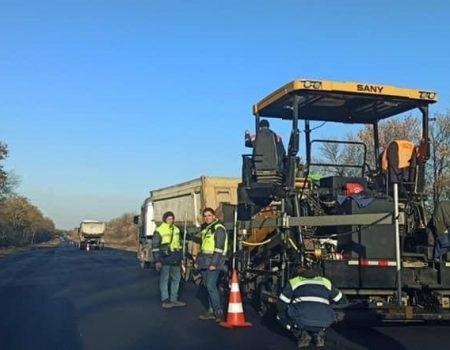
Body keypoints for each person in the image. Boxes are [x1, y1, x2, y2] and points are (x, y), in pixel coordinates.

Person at [276, 267, 344, 348]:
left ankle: (300, 333)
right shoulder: (325, 282)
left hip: (301, 320)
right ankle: (319, 333)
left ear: (298, 275)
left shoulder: (294, 282)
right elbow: (340, 299)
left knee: (280, 316)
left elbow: (281, 304)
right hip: (324, 320)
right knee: (338, 314)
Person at [193, 207, 228, 322]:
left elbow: (219, 248)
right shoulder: (207, 229)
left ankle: (218, 312)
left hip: (214, 263)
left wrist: (214, 264)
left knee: (211, 286)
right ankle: (211, 310)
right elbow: (203, 248)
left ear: (214, 216)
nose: (207, 218)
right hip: (204, 262)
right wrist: (197, 262)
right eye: (205, 216)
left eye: (209, 215)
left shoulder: (218, 229)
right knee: (208, 287)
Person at [152, 211, 186, 309]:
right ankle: (165, 299)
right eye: (169, 219)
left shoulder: (176, 229)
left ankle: (174, 299)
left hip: (175, 257)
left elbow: (179, 244)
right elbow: (155, 246)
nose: (171, 220)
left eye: (172, 218)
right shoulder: (159, 230)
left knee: (176, 278)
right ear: (165, 219)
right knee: (165, 279)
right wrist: (157, 260)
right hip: (165, 257)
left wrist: (181, 258)